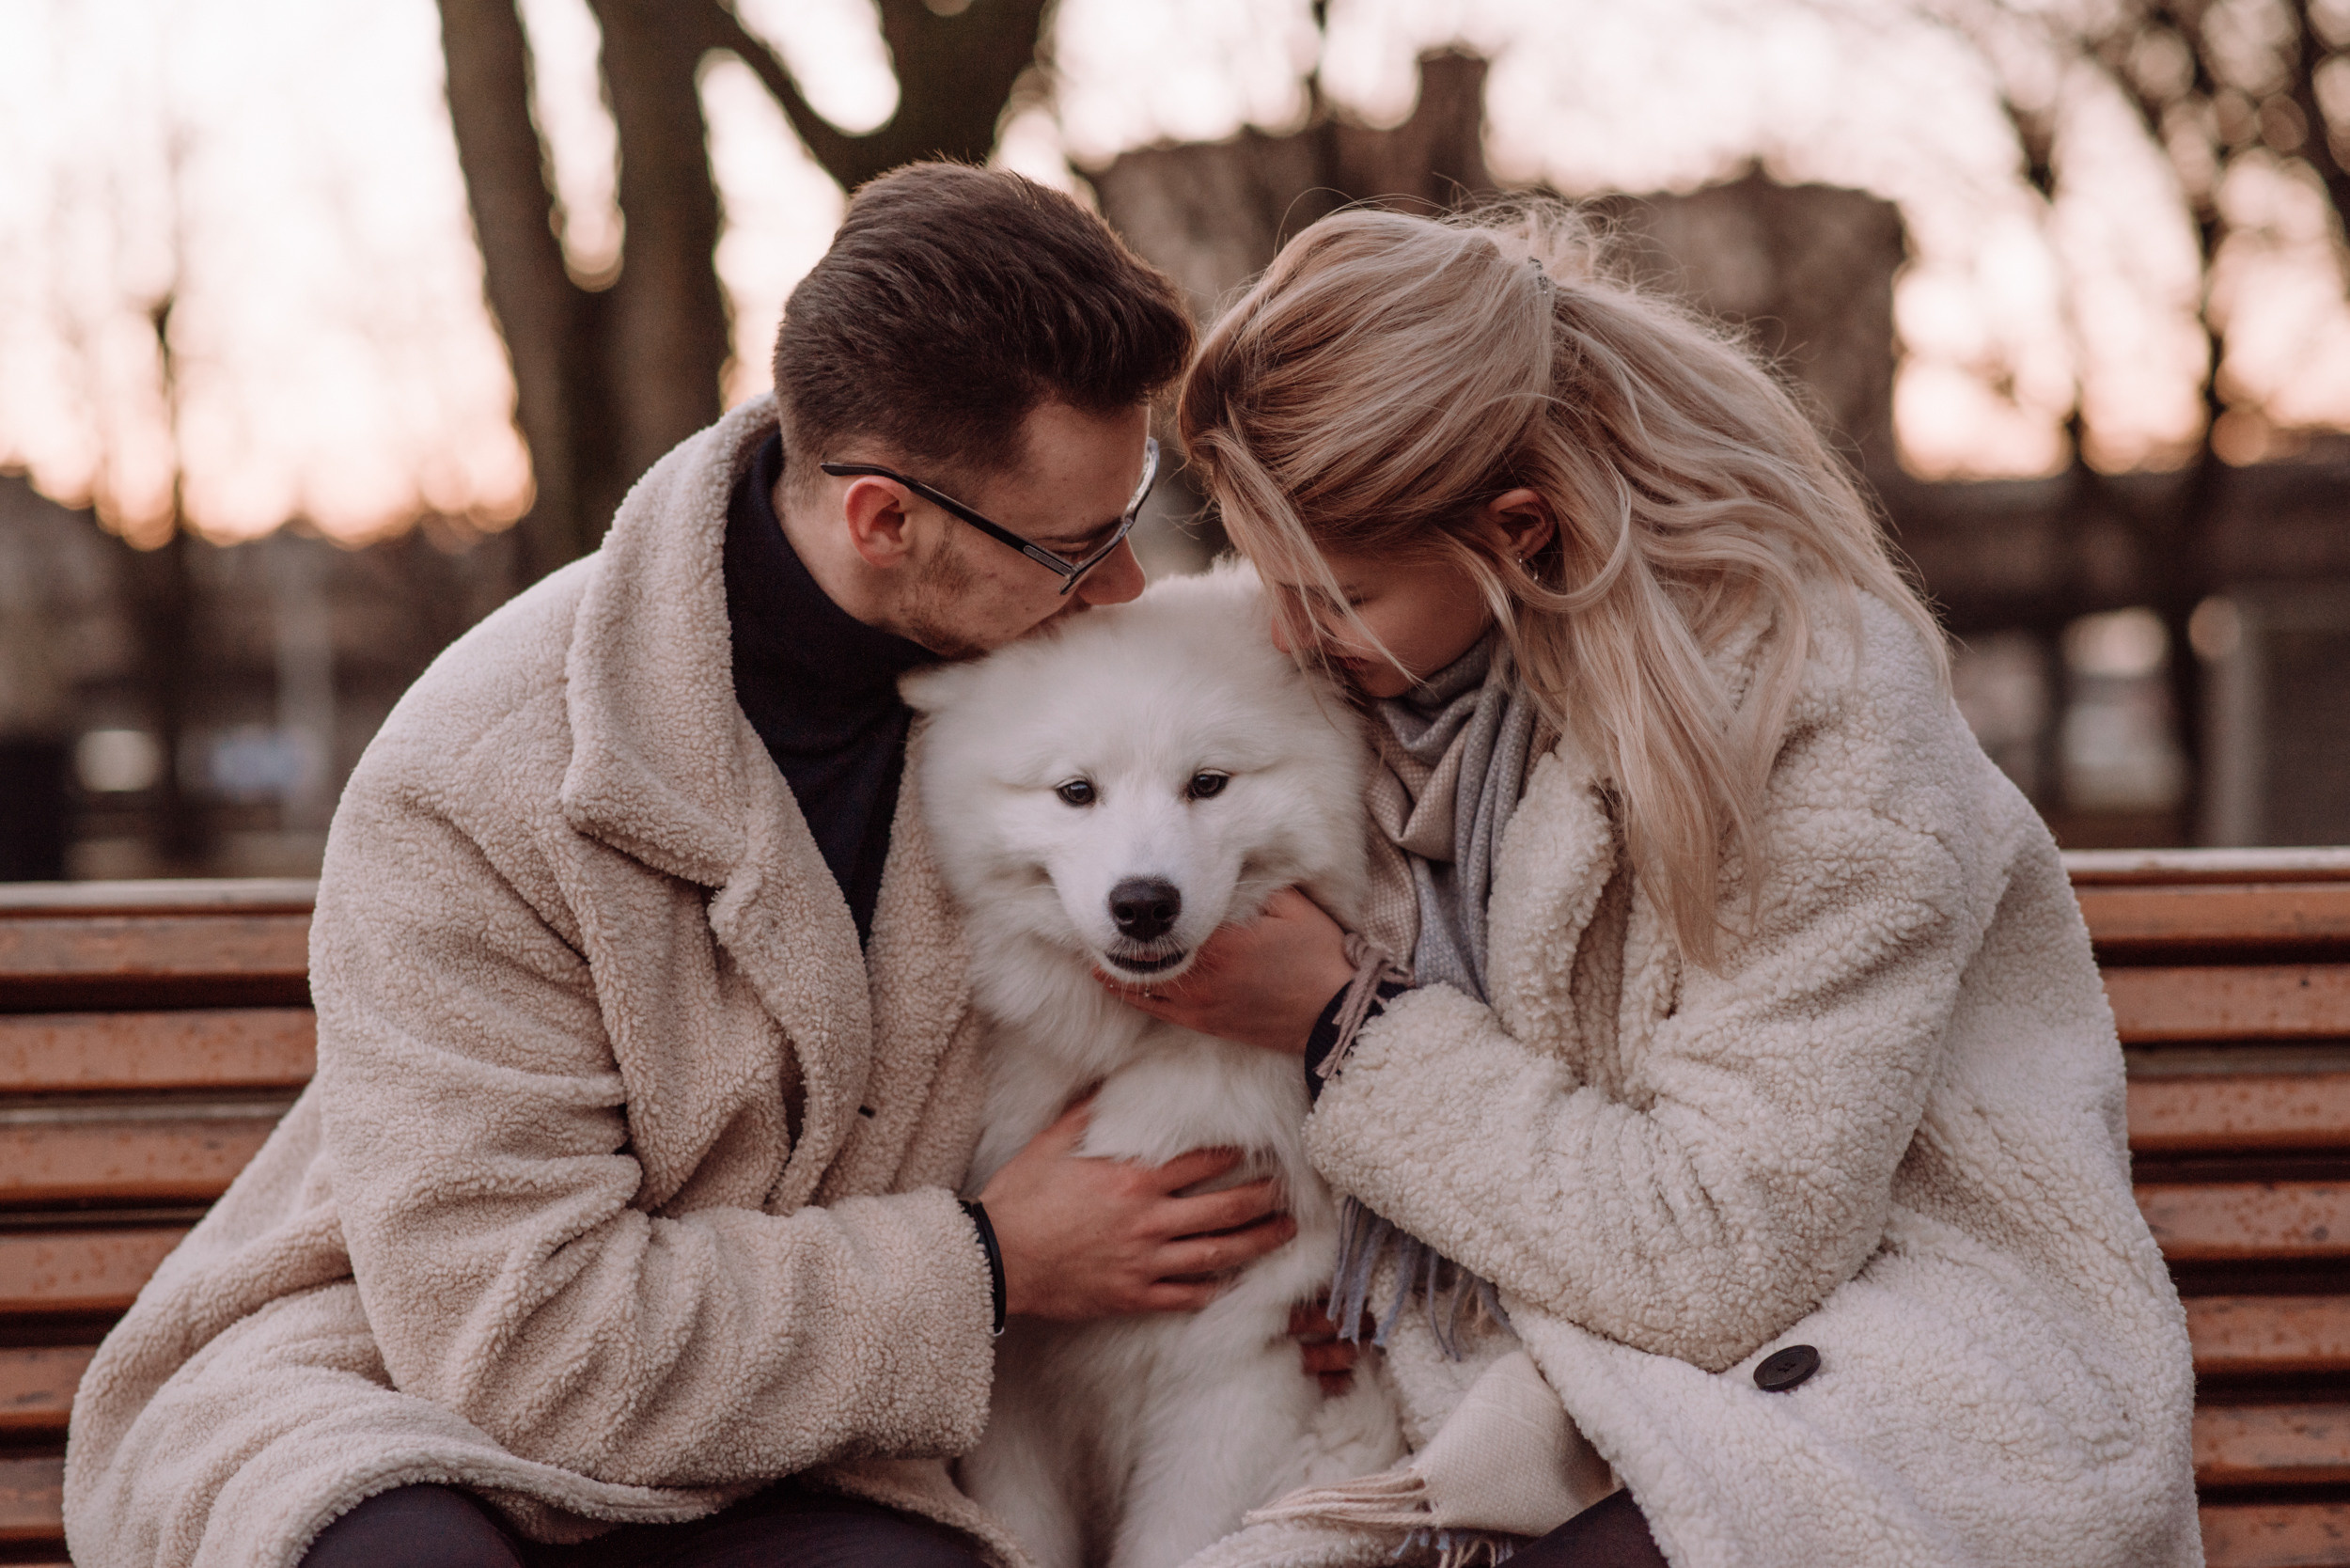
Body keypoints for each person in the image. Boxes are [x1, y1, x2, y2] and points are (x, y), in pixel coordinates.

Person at [64, 164, 1309, 1568]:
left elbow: (1331, 892)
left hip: (820, 1443)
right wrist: (989, 1265)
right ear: (884, 522)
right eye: (1080, 548)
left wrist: (1348, 1289)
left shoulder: (1051, 699)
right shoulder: (482, 777)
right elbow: (518, 1342)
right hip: (408, 1395)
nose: (1127, 589)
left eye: (1130, 517)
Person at [1117, 201, 2202, 1568]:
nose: (1287, 636)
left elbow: (1730, 1252)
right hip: (1525, 1372)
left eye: (1335, 596)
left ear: (1517, 533)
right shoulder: (1363, 711)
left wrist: (1347, 1026)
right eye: (1268, 580)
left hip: (1877, 1379)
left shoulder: (1808, 712)